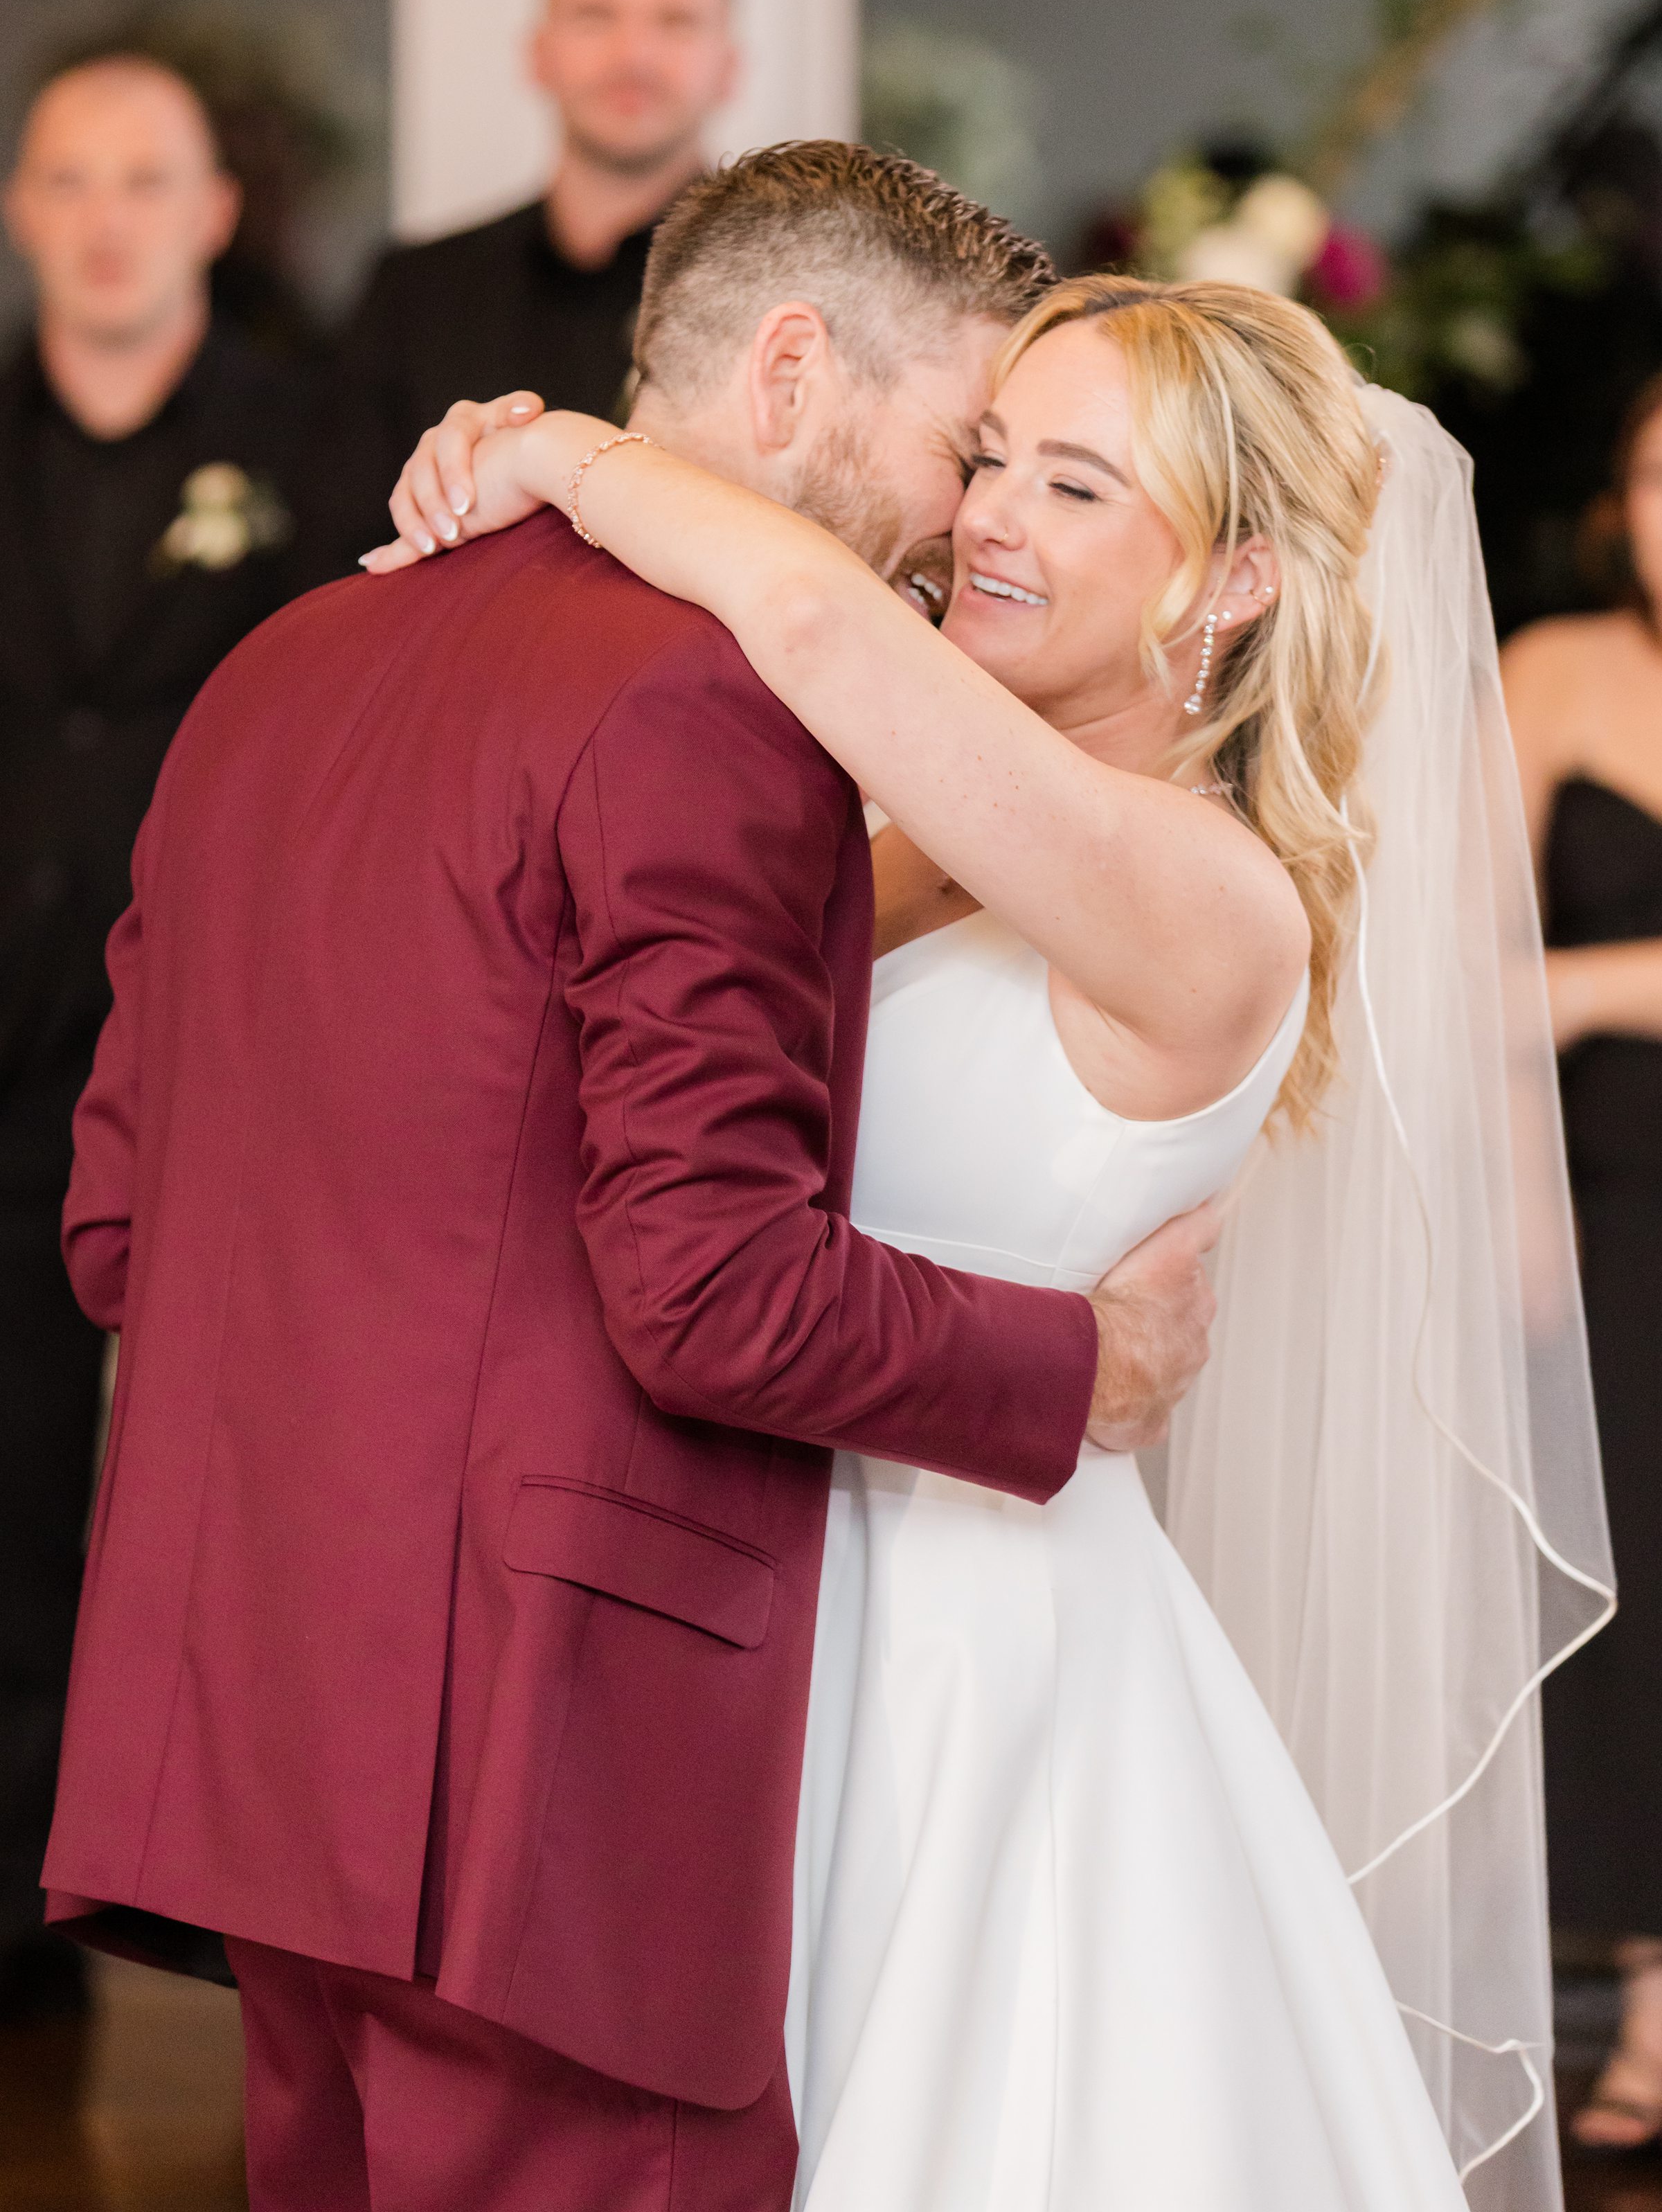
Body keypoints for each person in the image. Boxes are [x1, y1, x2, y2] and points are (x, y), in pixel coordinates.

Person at [379, 204, 1611, 2206]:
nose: (987, 517)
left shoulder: (1207, 896)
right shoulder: (932, 843)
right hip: (755, 1610)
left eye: (1074, 479)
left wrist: (568, 457)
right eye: (989, 456)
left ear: (1232, 586)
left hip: (979, 1675)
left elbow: (810, 626)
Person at [41, 146, 1222, 2212]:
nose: (968, 517)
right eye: (958, 442)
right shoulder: (708, 705)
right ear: (787, 373)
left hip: (250, 1725)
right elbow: (708, 1290)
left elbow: (119, 1227)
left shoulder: (274, 671)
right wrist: (1077, 1368)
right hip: (533, 1772)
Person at [0, 53, 352, 2022]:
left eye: (148, 177)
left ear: (219, 209)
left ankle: (242, 1911)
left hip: (230, 1061)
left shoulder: (319, 444)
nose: (109, 214)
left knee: (240, 1485)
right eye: (69, 176)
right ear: (24, 210)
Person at [1503, 371, 1662, 2155]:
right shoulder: (1546, 672)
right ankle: (1643, 1999)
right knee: (1630, 1598)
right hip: (1607, 1212)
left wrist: (1591, 989)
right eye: (1645, 473)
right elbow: (1447, 975)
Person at [334, 0, 738, 552]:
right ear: (538, 54)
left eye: (676, 20)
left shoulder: (787, 299)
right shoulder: (415, 294)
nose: (634, 53)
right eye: (595, 15)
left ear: (730, 66)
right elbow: (346, 561)